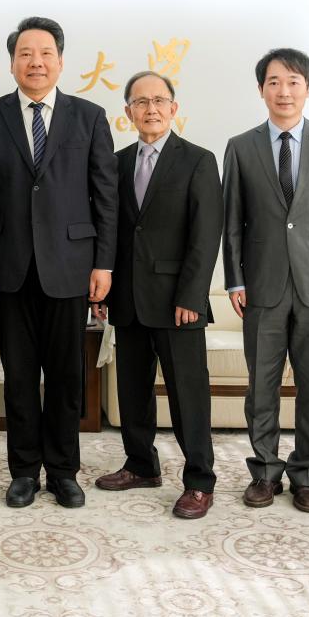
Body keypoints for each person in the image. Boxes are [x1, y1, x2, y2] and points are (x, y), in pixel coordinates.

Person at [0, 16, 118, 509]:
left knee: (67, 377)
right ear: (11, 63)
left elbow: (105, 197)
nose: (36, 62)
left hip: (71, 266)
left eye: (45, 53)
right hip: (9, 266)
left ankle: (64, 471)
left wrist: (104, 264)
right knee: (19, 376)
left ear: (60, 61)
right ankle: (24, 471)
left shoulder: (89, 117)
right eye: (25, 53)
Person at [221, 47, 309, 514]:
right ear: (261, 89)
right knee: (261, 386)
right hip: (261, 285)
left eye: (294, 82)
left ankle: (306, 474)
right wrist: (235, 280)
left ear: (307, 88)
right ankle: (263, 471)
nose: (284, 91)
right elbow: (233, 220)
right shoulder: (241, 146)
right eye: (275, 82)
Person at [95, 71, 223, 519]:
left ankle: (199, 481)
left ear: (174, 108)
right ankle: (141, 465)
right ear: (127, 112)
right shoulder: (115, 161)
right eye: (140, 102)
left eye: (159, 101)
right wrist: (103, 285)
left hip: (178, 302)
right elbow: (108, 229)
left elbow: (206, 236)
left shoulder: (199, 160)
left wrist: (192, 295)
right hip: (126, 296)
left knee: (188, 394)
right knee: (132, 390)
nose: (150, 109)